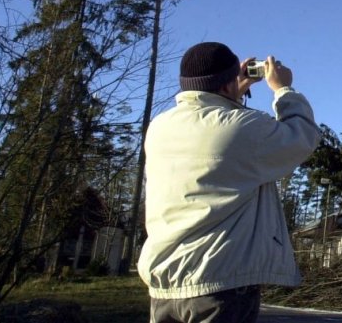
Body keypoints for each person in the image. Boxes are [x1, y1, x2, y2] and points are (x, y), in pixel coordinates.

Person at [138, 41, 321, 323]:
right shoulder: (242, 125)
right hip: (221, 284)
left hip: (164, 283)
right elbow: (303, 136)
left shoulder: (160, 127)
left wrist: (232, 93)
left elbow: (212, 134)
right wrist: (283, 90)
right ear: (226, 85)